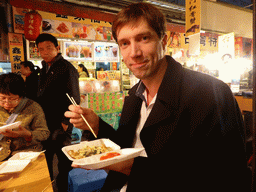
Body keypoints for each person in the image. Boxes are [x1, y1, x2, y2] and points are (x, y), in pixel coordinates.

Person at [65, 2, 250, 192]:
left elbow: (224, 175)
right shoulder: (134, 95)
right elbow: (123, 147)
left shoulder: (210, 94)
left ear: (163, 40)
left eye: (144, 38)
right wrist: (97, 124)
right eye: (125, 43)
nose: (134, 53)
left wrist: (130, 167)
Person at [35, 33, 80, 192]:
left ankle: (63, 189)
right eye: (41, 49)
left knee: (63, 161)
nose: (45, 52)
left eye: (48, 48)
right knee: (44, 158)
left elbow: (74, 97)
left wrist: (66, 123)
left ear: (57, 48)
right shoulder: (44, 67)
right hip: (44, 123)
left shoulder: (66, 68)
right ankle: (46, 188)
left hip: (60, 124)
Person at [0, 73, 50, 161]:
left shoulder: (33, 107)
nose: (7, 103)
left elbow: (44, 133)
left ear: (21, 96)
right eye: (2, 98)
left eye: (12, 99)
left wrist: (28, 134)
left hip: (25, 154)